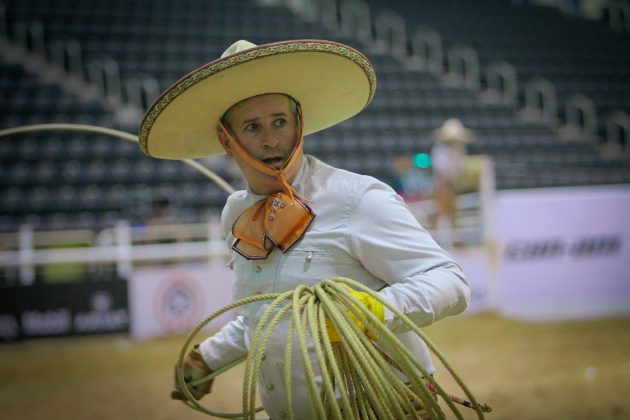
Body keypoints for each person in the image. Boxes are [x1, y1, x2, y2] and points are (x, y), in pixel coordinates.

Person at [139, 39, 470, 419]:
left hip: (384, 407)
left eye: (279, 122)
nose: (270, 140)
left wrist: (370, 311)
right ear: (226, 141)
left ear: (299, 123)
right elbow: (267, 311)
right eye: (252, 127)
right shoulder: (235, 214)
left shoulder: (357, 198)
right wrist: (209, 357)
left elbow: (450, 281)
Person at [430, 118, 474, 247]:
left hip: (452, 183)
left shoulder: (459, 150)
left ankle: (454, 238)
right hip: (443, 184)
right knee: (441, 209)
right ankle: (436, 237)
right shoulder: (440, 151)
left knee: (452, 211)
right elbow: (441, 171)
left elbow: (458, 168)